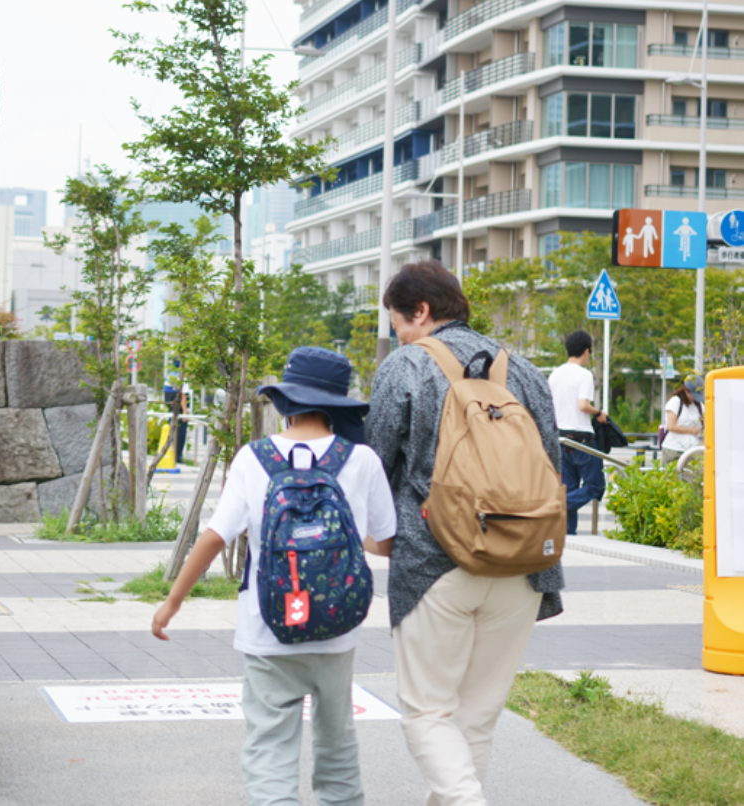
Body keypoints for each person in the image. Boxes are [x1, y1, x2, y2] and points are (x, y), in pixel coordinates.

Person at [151, 346, 397, 806]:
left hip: (267, 628)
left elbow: (214, 537)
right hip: (336, 628)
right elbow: (384, 541)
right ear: (338, 406)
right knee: (337, 744)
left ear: (284, 402)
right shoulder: (360, 459)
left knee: (270, 751)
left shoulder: (253, 457)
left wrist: (174, 601)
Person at [364, 260, 564, 806]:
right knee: (475, 719)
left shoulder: (404, 366)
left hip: (436, 562)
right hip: (523, 563)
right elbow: (551, 468)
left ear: (421, 312)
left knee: (428, 711)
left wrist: (374, 537)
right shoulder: (523, 369)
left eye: (397, 322)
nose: (398, 334)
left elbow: (375, 468)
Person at [548, 330, 607, 536]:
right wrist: (598, 412)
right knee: (595, 486)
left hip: (560, 437)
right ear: (586, 351)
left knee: (570, 487)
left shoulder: (555, 374)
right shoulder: (584, 375)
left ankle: (568, 536)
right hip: (580, 439)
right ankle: (556, 506)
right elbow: (583, 405)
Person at [662, 375, 705, 466]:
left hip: (693, 449)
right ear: (686, 391)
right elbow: (671, 426)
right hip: (673, 449)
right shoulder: (675, 402)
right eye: (694, 395)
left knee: (693, 478)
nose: (695, 398)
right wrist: (691, 431)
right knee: (671, 479)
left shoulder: (700, 406)